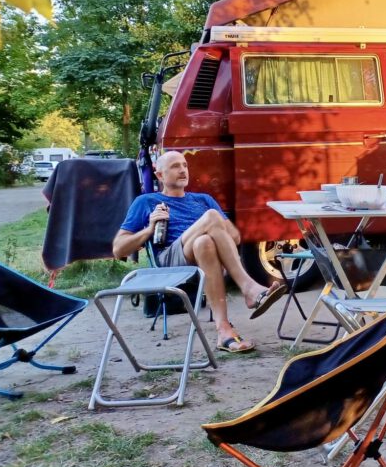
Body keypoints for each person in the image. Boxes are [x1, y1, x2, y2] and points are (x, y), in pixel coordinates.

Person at [113, 150, 286, 353]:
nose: (183, 170)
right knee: (211, 217)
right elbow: (118, 249)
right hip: (171, 261)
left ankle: (223, 331)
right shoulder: (146, 202)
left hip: (207, 260)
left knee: (204, 241)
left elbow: (236, 238)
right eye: (175, 166)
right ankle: (248, 288)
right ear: (159, 175)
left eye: (185, 165)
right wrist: (150, 229)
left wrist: (214, 226)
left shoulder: (203, 200)